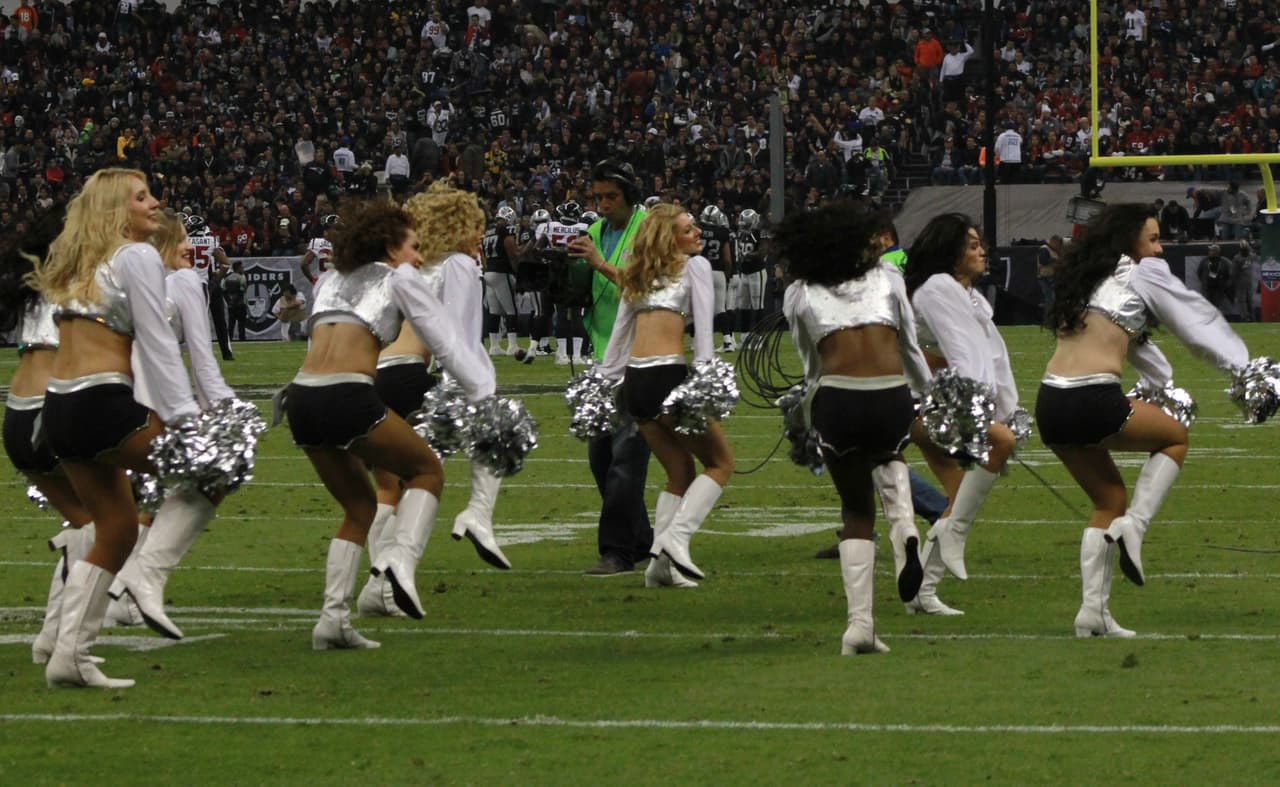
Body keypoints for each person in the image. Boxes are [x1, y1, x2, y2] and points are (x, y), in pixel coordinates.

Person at [283, 200, 493, 646]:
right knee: (427, 470)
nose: (419, 256)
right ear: (390, 246)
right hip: (347, 394)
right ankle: (400, 561)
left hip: (300, 397)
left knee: (360, 507)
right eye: (413, 246)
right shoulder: (400, 278)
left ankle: (333, 620)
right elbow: (447, 343)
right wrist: (483, 397)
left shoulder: (332, 279)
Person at [1038, 203, 1252, 636]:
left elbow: (1136, 346)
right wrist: (1244, 368)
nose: (1160, 249)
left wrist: (1161, 383)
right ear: (1129, 242)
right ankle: (1134, 528)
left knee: (1108, 500)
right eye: (1153, 239)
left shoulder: (1090, 281)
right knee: (1175, 438)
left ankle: (1093, 613)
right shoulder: (1142, 273)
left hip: (1051, 403)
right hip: (1092, 398)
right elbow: (1195, 322)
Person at [34, 168, 202, 688]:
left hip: (59, 409)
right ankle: (146, 581)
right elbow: (157, 342)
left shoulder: (81, 263)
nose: (155, 204)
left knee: (117, 529)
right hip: (100, 403)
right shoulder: (135, 256)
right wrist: (185, 418)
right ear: (116, 210)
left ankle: (69, 656)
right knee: (211, 470)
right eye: (142, 197)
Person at [777, 201, 933, 653]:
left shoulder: (800, 292)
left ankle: (860, 626)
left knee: (856, 511)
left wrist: (805, 414)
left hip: (839, 396)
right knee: (888, 452)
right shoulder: (889, 277)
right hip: (890, 394)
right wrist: (929, 394)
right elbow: (909, 346)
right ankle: (905, 529)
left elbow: (811, 365)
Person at [356, 181, 509, 619]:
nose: (480, 236)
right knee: (491, 434)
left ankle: (376, 590)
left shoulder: (404, 266)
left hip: (372, 376)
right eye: (475, 225)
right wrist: (476, 386)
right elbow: (459, 337)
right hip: (409, 376)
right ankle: (477, 514)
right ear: (457, 225)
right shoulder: (458, 264)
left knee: (391, 487)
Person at [107, 212, 238, 638]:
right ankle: (137, 580)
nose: (189, 247)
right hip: (158, 405)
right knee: (207, 481)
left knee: (131, 500)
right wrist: (225, 411)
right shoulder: (183, 281)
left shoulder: (121, 277)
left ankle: (111, 598)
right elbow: (202, 359)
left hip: (115, 402)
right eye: (181, 239)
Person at [597, 204, 734, 586]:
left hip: (635, 383)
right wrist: (705, 381)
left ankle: (660, 569)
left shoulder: (639, 274)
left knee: (679, 471)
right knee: (721, 463)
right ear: (669, 239)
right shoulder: (696, 267)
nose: (698, 233)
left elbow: (618, 341)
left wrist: (604, 385)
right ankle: (675, 540)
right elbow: (703, 335)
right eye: (688, 230)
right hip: (667, 376)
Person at [903, 213, 1020, 616]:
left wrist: (1002, 407)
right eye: (972, 246)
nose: (982, 251)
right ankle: (953, 537)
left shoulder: (964, 294)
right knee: (1000, 442)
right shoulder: (938, 288)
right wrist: (979, 407)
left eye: (980, 243)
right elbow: (960, 353)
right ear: (951, 254)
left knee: (958, 499)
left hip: (936, 399)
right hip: (921, 404)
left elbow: (980, 355)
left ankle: (922, 591)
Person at [0, 205, 97, 667]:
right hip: (52, 410)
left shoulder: (36, 284)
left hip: (17, 414)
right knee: (110, 526)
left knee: (87, 526)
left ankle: (52, 638)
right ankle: (66, 643)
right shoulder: (80, 282)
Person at [565, 159, 652, 576]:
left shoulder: (648, 229)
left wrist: (599, 263)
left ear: (630, 195)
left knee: (625, 458)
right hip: (603, 356)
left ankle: (617, 551)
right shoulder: (596, 231)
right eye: (597, 197)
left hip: (640, 355)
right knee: (601, 457)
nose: (602, 205)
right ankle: (641, 540)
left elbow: (648, 286)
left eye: (611, 197)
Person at [186, 215, 234, 360]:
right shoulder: (211, 241)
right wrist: (217, 280)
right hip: (206, 282)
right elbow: (226, 263)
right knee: (213, 320)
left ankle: (222, 352)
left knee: (201, 320)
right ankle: (222, 352)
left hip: (190, 282)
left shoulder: (184, 241)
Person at [481, 205, 523, 356]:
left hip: (489, 272)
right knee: (511, 310)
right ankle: (512, 345)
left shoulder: (488, 231)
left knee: (494, 311)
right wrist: (517, 268)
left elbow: (482, 253)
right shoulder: (504, 230)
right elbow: (512, 252)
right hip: (501, 271)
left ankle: (494, 346)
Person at [698, 205, 735, 352]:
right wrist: (727, 275)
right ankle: (728, 341)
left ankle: (704, 342)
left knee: (702, 308)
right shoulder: (723, 232)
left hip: (702, 271)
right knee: (721, 308)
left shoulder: (698, 230)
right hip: (718, 272)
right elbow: (727, 260)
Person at [300, 214, 339, 284]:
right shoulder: (346, 243)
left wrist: (312, 279)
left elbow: (304, 264)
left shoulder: (317, 242)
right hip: (340, 281)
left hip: (324, 282)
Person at [1037, 234, 1063, 316]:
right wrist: (1054, 260)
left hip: (1051, 278)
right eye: (1058, 244)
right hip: (1044, 278)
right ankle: (1048, 318)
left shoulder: (1053, 251)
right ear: (1053, 242)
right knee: (1050, 299)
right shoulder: (1044, 249)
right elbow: (1043, 260)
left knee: (1052, 299)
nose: (1059, 247)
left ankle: (1051, 317)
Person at [222, 260, 248, 340]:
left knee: (231, 324)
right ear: (238, 268)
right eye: (242, 267)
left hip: (231, 304)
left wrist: (229, 302)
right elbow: (242, 291)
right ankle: (242, 339)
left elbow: (224, 291)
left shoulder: (227, 278)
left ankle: (229, 339)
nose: (243, 269)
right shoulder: (242, 278)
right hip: (241, 304)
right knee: (241, 324)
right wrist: (236, 302)